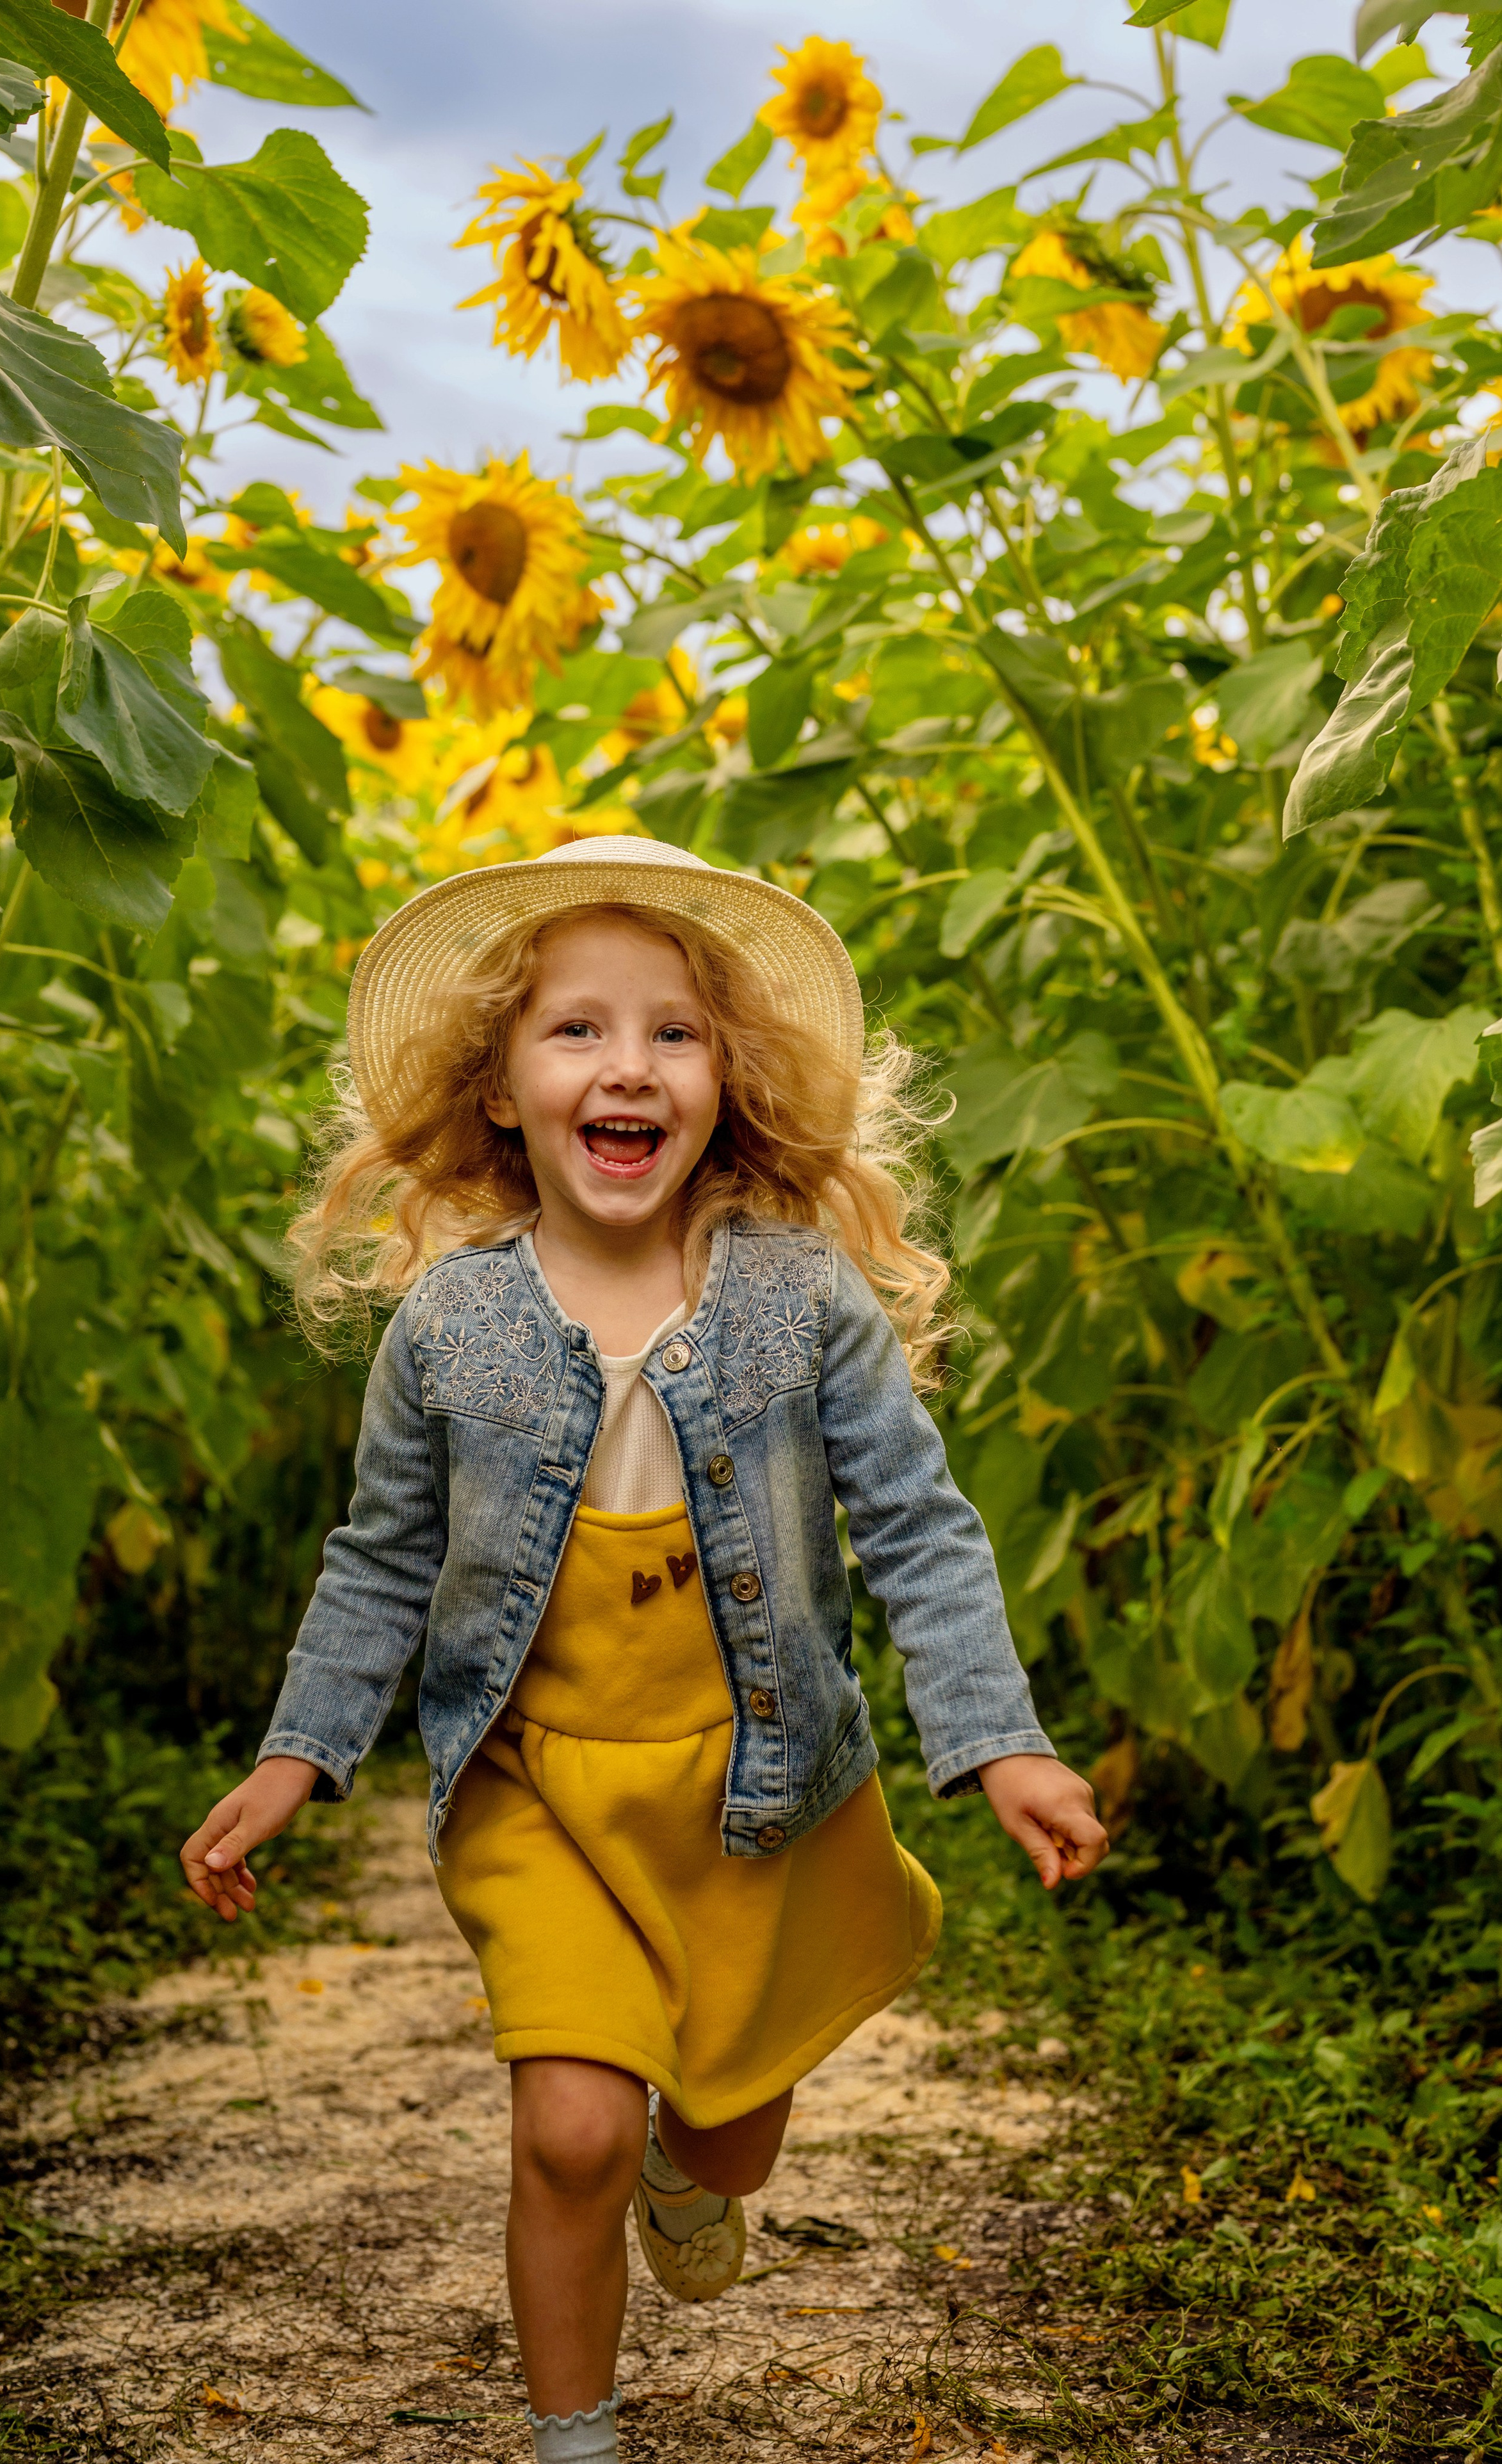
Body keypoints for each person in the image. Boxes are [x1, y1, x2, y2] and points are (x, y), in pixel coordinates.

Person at [180, 836, 1107, 2464]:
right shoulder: (448, 1327)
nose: (629, 1065)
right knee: (571, 2126)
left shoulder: (799, 1299)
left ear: (725, 1079)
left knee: (726, 2137)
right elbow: (381, 1558)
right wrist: (296, 1752)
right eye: (577, 1029)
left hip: (762, 1787)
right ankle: (576, 2436)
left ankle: (698, 2169)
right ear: (497, 1088)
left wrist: (997, 1740)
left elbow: (917, 1525)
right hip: (541, 1790)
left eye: (673, 1031)